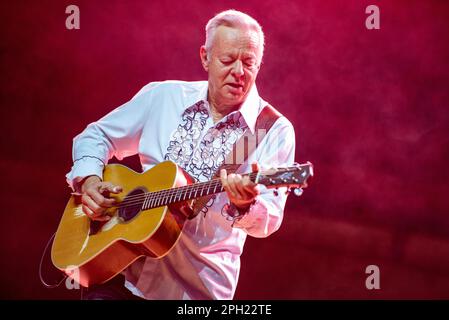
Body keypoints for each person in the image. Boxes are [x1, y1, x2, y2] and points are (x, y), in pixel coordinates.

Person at [66, 9, 296, 300]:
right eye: (227, 60)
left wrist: (244, 206)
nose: (239, 72)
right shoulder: (163, 97)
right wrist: (88, 182)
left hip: (194, 293)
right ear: (205, 58)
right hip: (118, 272)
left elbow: (270, 220)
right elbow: (96, 136)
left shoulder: (272, 130)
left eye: (249, 63)